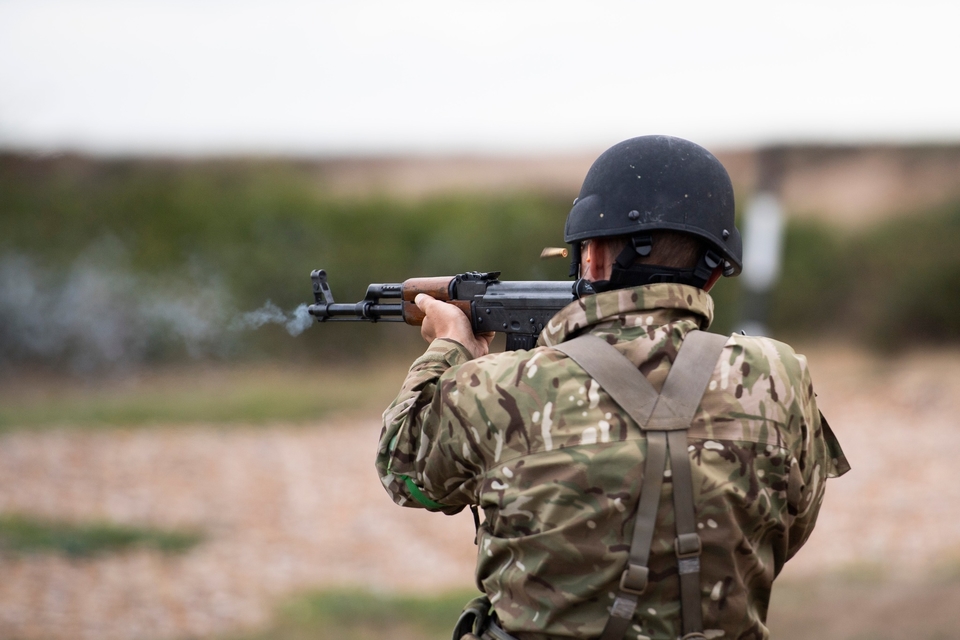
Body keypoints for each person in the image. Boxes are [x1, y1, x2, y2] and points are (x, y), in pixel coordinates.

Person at [377, 135, 849, 640]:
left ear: (594, 258)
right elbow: (789, 524)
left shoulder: (496, 386)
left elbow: (404, 476)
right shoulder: (779, 375)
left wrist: (450, 348)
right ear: (713, 273)